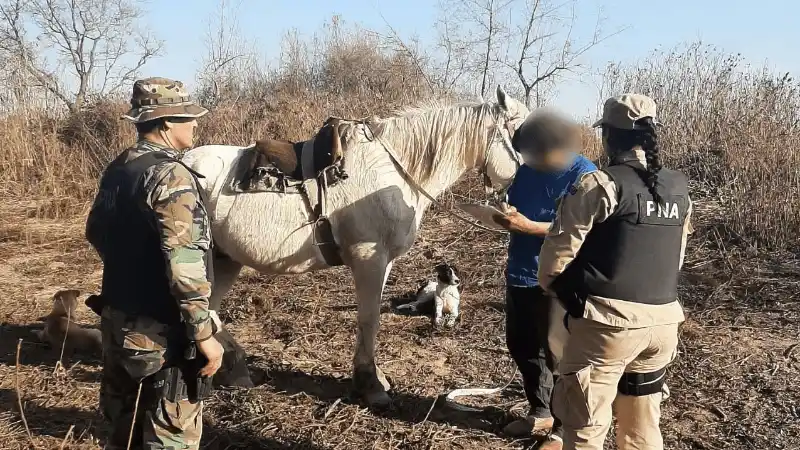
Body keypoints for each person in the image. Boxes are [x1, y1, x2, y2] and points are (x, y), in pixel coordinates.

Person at [538, 94, 693, 450]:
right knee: (642, 430)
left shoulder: (600, 184)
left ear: (608, 136)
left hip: (606, 328)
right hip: (663, 325)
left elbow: (554, 260)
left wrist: (558, 291)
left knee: (585, 427)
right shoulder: (680, 189)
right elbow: (677, 259)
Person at [85, 77, 224, 449]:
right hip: (161, 335)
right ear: (165, 124)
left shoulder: (120, 168)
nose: (195, 124)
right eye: (187, 118)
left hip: (117, 324)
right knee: (169, 435)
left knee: (122, 431)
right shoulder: (170, 175)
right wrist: (203, 332)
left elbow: (96, 232)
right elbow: (184, 265)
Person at [493, 109, 597, 449]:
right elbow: (517, 206)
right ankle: (540, 412)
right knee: (522, 346)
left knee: (560, 356)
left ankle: (563, 429)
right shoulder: (526, 172)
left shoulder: (584, 176)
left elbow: (583, 231)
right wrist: (502, 212)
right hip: (520, 272)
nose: (530, 159)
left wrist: (528, 227)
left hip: (557, 278)